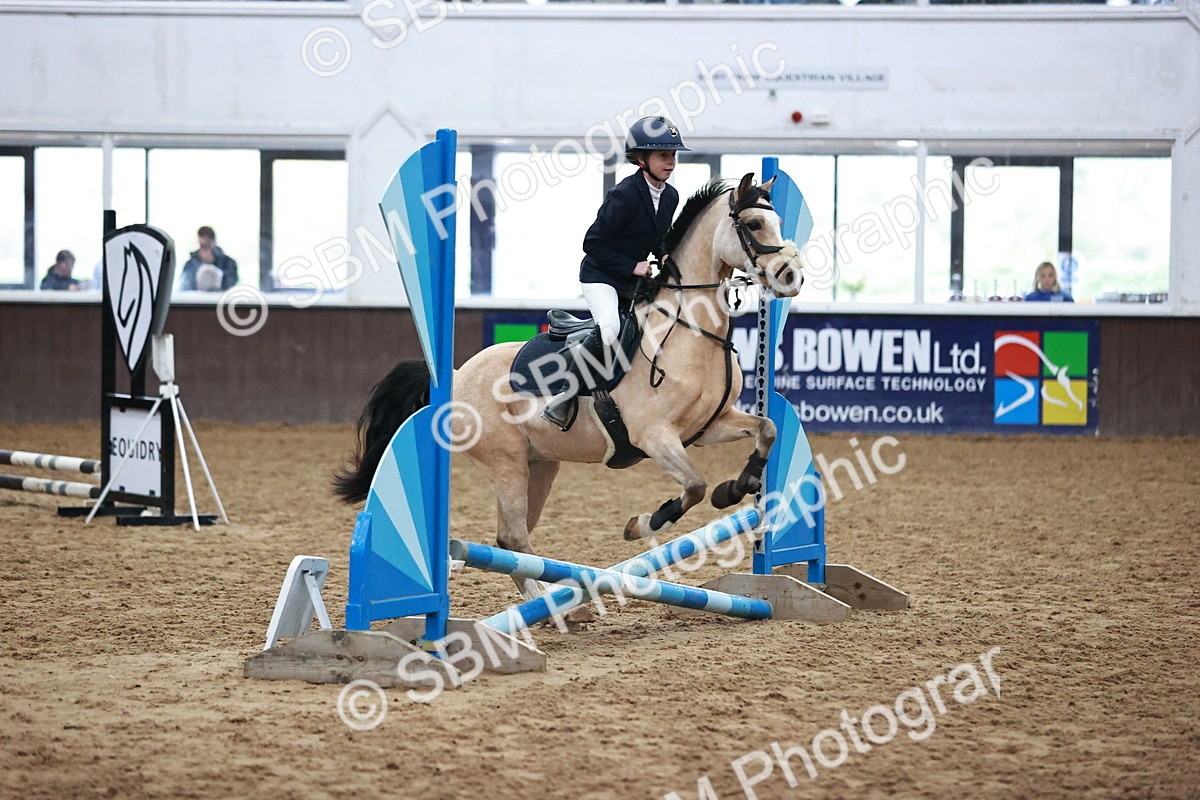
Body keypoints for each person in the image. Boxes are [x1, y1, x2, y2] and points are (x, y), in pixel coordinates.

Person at [541, 116, 688, 429]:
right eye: (663, 155)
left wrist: (664, 252)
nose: (671, 161)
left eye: (674, 155)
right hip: (601, 277)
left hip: (634, 281)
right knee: (609, 328)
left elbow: (657, 235)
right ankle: (564, 395)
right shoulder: (623, 195)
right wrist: (632, 266)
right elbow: (591, 243)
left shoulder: (671, 196)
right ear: (641, 159)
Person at [180, 226, 238, 291]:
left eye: (207, 246)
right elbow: (185, 287)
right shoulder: (190, 264)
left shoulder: (228, 263)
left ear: (214, 243)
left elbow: (230, 286)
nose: (204, 250)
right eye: (202, 246)